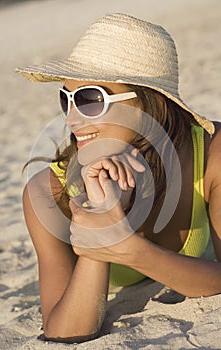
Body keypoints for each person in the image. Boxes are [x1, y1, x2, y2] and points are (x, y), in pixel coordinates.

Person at [16, 13, 221, 343]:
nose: (71, 119)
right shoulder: (47, 193)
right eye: (66, 99)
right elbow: (67, 332)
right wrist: (101, 219)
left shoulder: (211, 153)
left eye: (90, 99)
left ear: (148, 102)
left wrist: (128, 250)